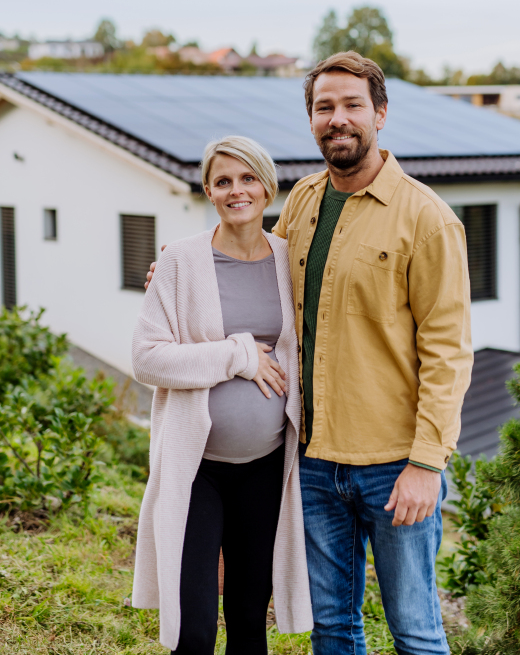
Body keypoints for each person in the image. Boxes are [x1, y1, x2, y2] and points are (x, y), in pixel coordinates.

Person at [147, 52, 473, 655]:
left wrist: (427, 465)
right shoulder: (304, 201)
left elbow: (449, 352)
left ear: (379, 113)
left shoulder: (428, 220)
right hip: (315, 462)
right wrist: (178, 266)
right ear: (312, 120)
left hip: (392, 463)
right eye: (324, 108)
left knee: (416, 630)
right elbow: (253, 264)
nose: (338, 119)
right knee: (335, 629)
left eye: (352, 105)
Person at [131, 136, 313, 654]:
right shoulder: (181, 261)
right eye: (224, 181)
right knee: (194, 630)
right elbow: (147, 359)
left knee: (249, 622)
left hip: (267, 466)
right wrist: (238, 355)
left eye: (249, 178)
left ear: (267, 186)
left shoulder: (289, 259)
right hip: (199, 469)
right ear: (209, 190)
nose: (238, 191)